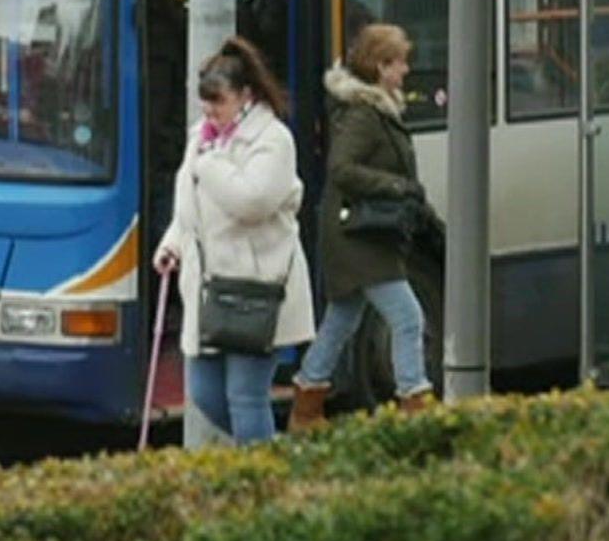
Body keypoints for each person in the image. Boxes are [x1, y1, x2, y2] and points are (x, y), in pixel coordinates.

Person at [151, 37, 314, 444]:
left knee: (245, 397)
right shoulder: (201, 135)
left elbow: (252, 201)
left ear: (246, 96)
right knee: (205, 395)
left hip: (255, 286)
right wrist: (173, 242)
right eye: (205, 103)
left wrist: (209, 163)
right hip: (209, 290)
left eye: (217, 102)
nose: (209, 112)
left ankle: (262, 482)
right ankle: (273, 457)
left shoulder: (273, 139)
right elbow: (191, 202)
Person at [289, 24, 436, 430]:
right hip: (360, 239)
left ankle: (306, 404)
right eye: (399, 62)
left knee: (342, 319)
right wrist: (396, 186)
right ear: (379, 66)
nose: (406, 70)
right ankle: (415, 405)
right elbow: (341, 169)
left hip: (358, 236)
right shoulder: (364, 115)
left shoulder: (377, 109)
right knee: (408, 318)